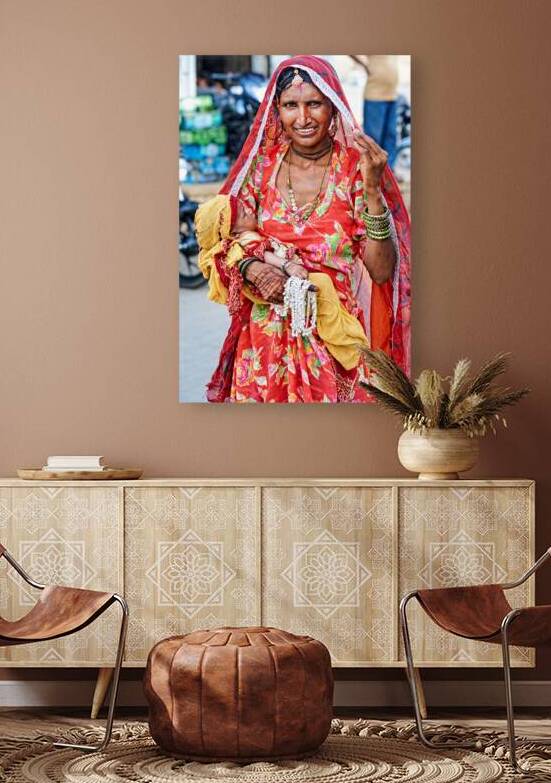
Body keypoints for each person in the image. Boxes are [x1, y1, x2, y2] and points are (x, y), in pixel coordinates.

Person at [199, 55, 410, 403]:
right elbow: (225, 241)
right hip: (263, 346)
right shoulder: (262, 168)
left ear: (333, 106)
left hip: (334, 340)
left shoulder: (354, 170)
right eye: (290, 105)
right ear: (276, 110)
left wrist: (373, 192)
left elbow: (381, 270)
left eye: (314, 104)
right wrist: (257, 267)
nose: (303, 118)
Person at [351, 55, 400, 170]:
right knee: (373, 140)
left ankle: (388, 174)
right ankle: (370, 174)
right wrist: (363, 64)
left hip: (392, 95)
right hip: (375, 96)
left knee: (391, 137)